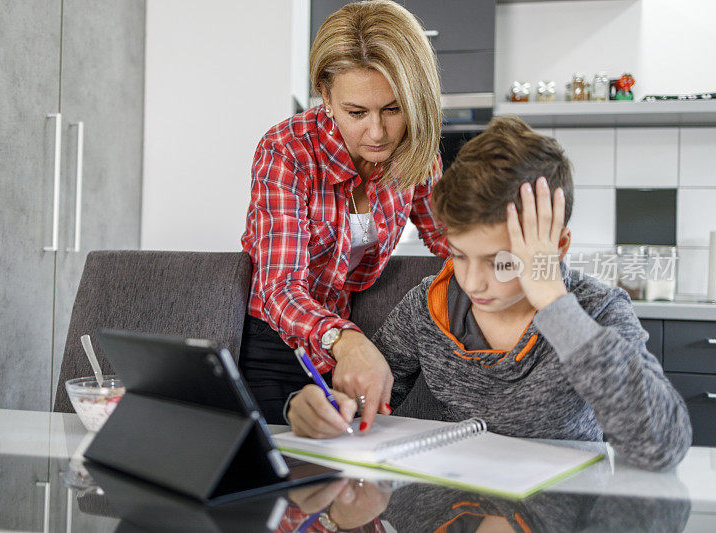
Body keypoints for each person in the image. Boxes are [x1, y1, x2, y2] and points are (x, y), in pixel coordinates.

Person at [286, 116, 692, 470]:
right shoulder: (431, 305)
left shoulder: (596, 311)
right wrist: (318, 408)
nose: (474, 282)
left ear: (556, 247)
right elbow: (358, 403)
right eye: (460, 256)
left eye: (502, 263)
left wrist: (552, 299)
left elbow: (662, 445)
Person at [239, 0, 450, 424]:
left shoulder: (416, 153)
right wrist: (344, 339)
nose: (377, 132)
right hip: (279, 345)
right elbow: (280, 287)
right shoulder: (287, 150)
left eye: (394, 109)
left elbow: (451, 239)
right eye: (357, 113)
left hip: (357, 348)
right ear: (326, 94)